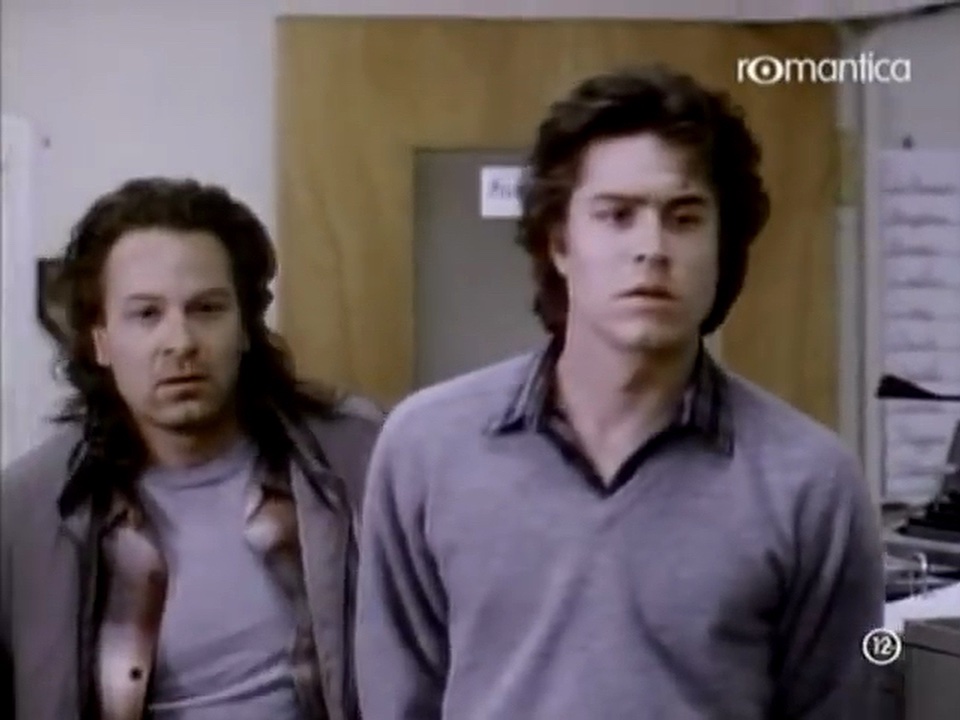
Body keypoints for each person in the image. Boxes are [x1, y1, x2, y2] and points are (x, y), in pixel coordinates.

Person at [354, 65, 885, 719]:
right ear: (559, 243)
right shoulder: (427, 448)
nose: (651, 248)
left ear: (724, 249)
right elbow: (396, 698)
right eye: (617, 215)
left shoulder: (810, 481)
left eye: (684, 218)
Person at [1, 177, 381, 720]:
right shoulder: (31, 511)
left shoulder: (357, 461)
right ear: (101, 340)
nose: (180, 343)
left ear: (245, 327)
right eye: (146, 314)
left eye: (206, 309)